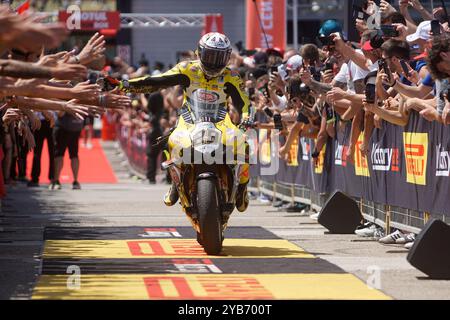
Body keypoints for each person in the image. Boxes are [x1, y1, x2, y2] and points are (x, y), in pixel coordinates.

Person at [110, 32, 251, 212]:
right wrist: (124, 85)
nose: (214, 62)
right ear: (199, 52)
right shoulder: (187, 69)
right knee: (171, 141)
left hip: (221, 122)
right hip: (190, 120)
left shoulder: (232, 76)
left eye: (219, 57)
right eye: (210, 55)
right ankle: (175, 184)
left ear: (227, 56)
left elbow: (244, 103)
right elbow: (156, 82)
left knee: (243, 143)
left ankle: (242, 187)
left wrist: (247, 118)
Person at [50, 112, 84, 190]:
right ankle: (74, 181)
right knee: (72, 155)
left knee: (61, 155)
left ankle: (56, 181)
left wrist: (66, 108)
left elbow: (60, 113)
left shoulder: (64, 100)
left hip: (65, 127)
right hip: (73, 127)